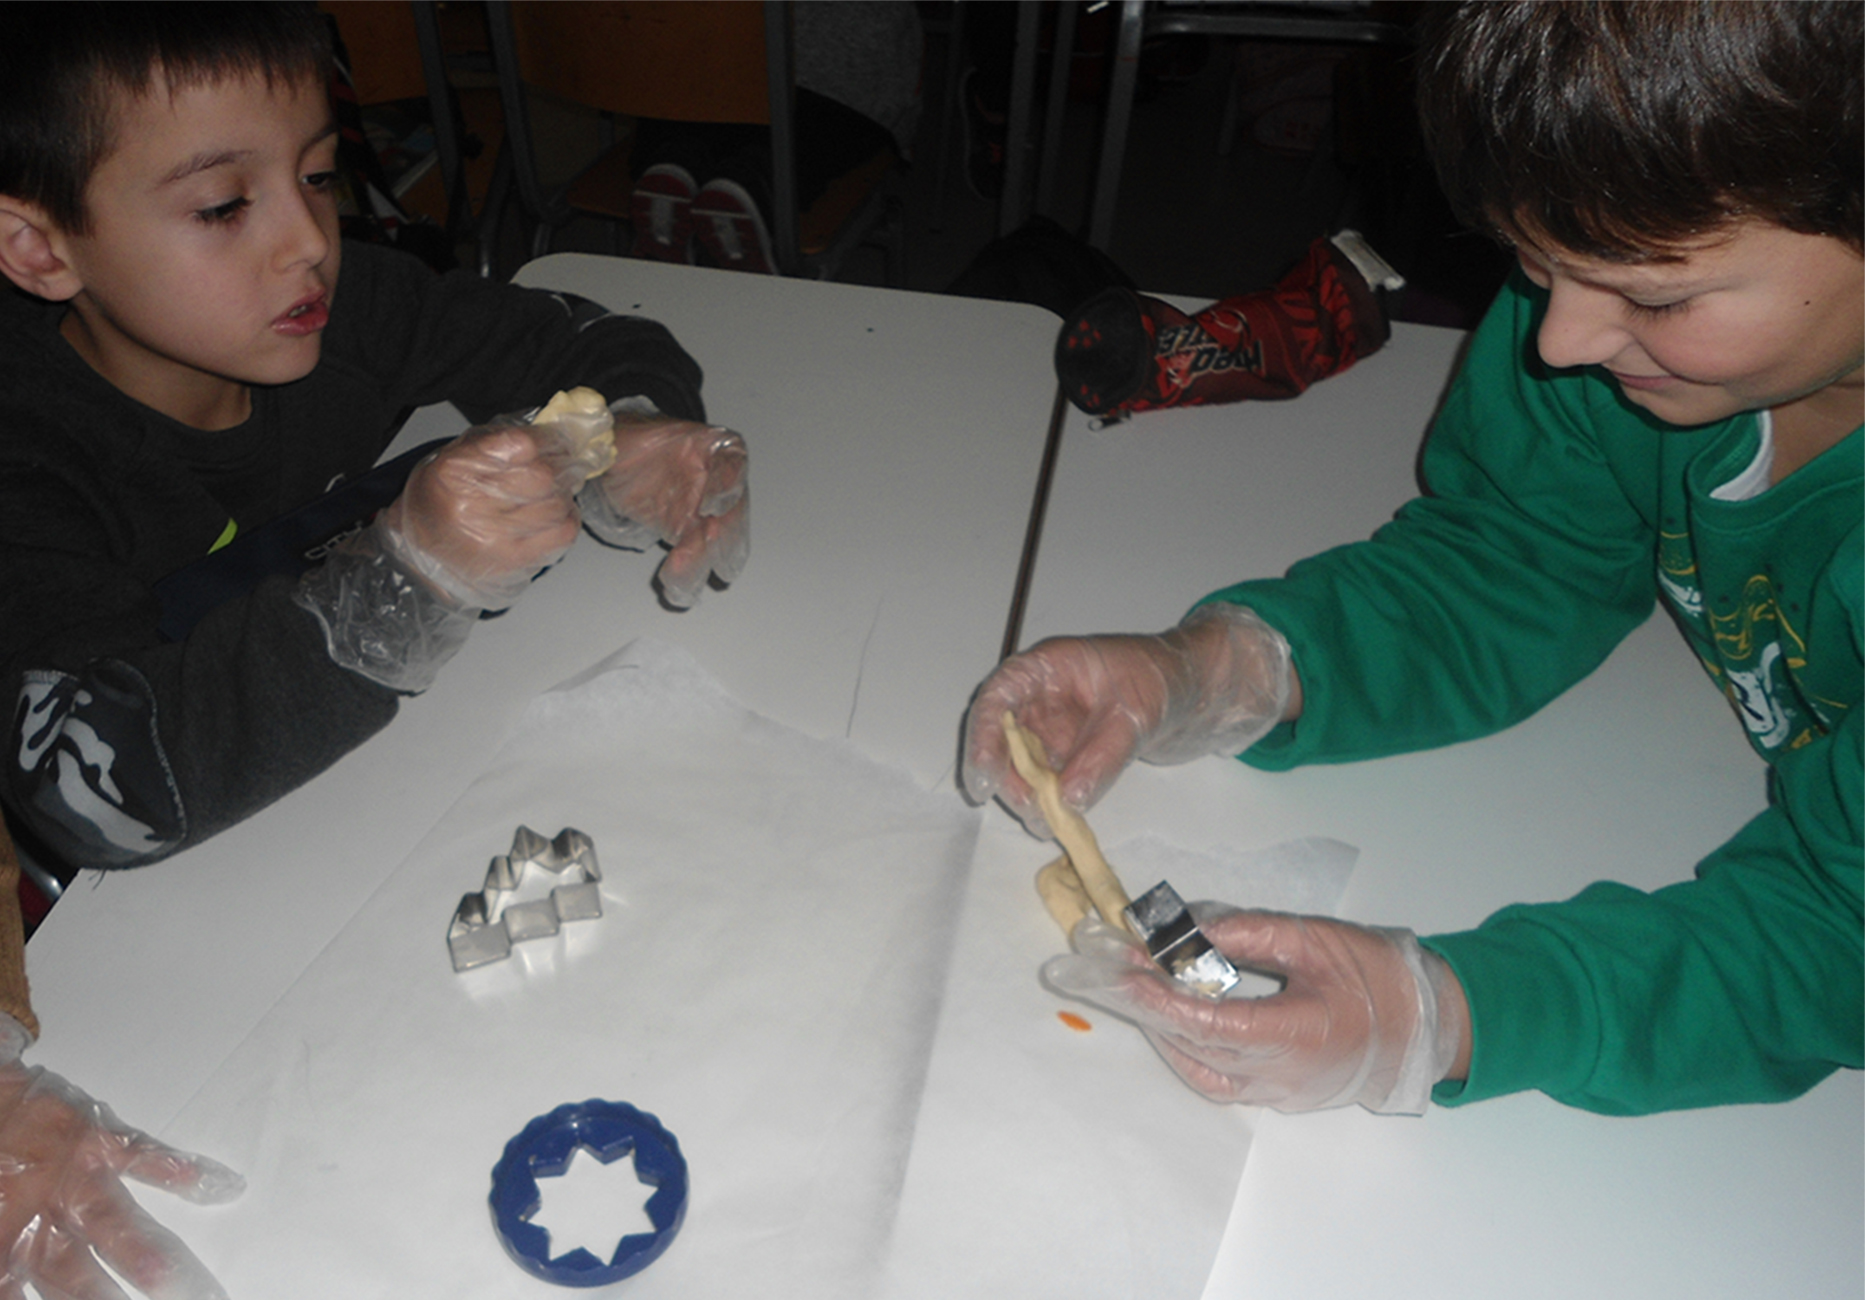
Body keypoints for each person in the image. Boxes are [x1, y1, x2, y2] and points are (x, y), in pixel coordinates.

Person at [962, 0, 1861, 1119]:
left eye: (1655, 295)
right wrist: (1224, 671)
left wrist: (1454, 1013)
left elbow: (1838, 935)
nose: (1558, 342)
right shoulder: (1604, 316)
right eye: (1531, 259)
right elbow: (1520, 556)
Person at [0, 4, 749, 1293]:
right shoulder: (30, 460)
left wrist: (630, 432)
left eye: (316, 174)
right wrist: (404, 582)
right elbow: (96, 788)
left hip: (350, 822)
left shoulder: (337, 309)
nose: (308, 239)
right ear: (39, 247)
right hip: (154, 933)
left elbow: (583, 335)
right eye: (223, 205)